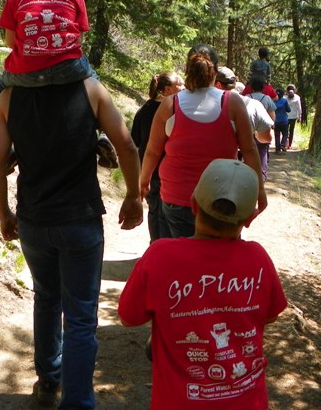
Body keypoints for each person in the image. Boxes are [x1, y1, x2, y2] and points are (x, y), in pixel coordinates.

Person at [0, 77, 143, 409]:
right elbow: (126, 146)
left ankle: (48, 380)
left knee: (46, 296)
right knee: (81, 317)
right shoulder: (91, 89)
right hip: (80, 220)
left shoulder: (9, 98)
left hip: (34, 219)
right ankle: (78, 403)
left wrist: (4, 213)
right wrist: (132, 196)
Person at [118, 159, 288, 409]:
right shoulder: (258, 258)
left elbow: (128, 317)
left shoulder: (160, 255)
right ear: (250, 218)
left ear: (194, 204)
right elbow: (270, 315)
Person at [0, 0, 118, 169]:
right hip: (68, 69)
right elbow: (78, 40)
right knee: (94, 80)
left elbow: (11, 42)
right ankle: (102, 135)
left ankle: (9, 146)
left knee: (2, 88)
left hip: (25, 73)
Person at [140, 45, 265, 239]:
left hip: (176, 196)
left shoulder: (170, 104)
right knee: (218, 257)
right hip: (222, 198)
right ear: (215, 71)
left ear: (187, 70)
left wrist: (144, 181)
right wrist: (259, 190)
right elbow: (249, 150)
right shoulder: (232, 102)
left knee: (180, 257)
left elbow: (152, 151)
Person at [131, 71, 184, 243]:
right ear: (168, 89)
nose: (183, 88)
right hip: (165, 171)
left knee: (155, 211)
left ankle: (156, 247)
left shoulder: (144, 109)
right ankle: (165, 250)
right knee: (166, 212)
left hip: (149, 170)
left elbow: (135, 140)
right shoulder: (175, 111)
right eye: (179, 85)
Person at [214, 67, 273, 150]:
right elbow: (266, 138)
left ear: (218, 85)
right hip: (244, 158)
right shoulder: (254, 105)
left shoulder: (204, 107)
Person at [245, 76, 276, 182]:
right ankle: (261, 176)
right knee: (262, 152)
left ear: (251, 88)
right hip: (263, 128)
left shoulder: (246, 97)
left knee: (248, 151)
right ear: (263, 88)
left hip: (248, 128)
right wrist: (271, 126)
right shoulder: (267, 98)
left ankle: (247, 174)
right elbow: (272, 114)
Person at [273, 88, 291, 153]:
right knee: (285, 134)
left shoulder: (273, 101)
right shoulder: (284, 101)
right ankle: (283, 144)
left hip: (276, 121)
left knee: (277, 135)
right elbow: (288, 110)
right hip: (284, 121)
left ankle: (277, 149)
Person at [285, 84, 302, 150]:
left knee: (285, 130)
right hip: (294, 116)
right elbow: (299, 108)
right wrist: (299, 117)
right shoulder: (297, 97)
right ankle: (290, 145)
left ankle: (285, 143)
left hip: (286, 116)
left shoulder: (284, 98)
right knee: (291, 130)